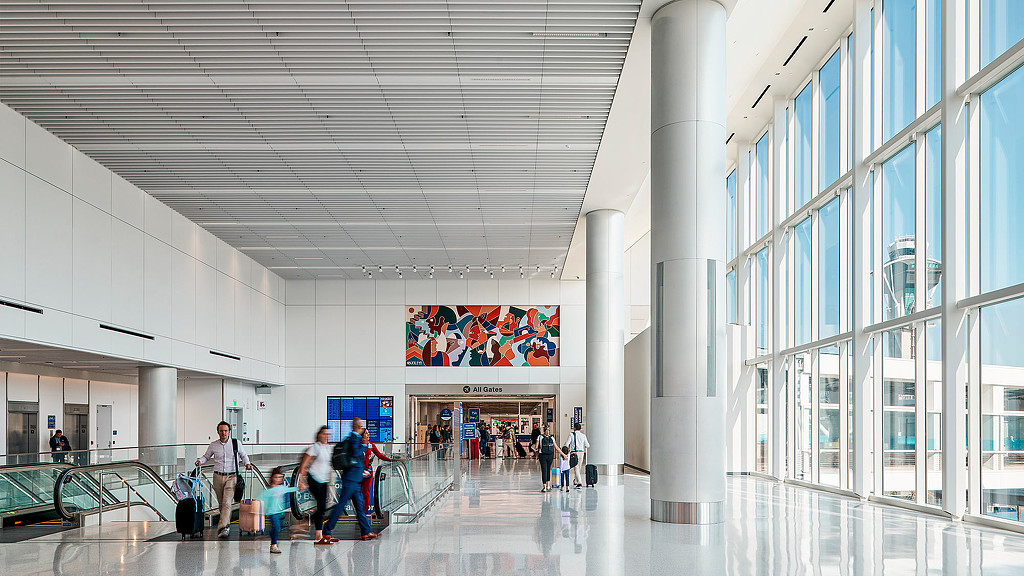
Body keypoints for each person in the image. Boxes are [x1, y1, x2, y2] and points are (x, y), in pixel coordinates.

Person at [322, 418, 378, 542]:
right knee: (341, 506)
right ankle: (326, 530)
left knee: (360, 507)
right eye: (361, 425)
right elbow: (356, 453)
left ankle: (366, 531)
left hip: (354, 480)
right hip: (351, 480)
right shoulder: (355, 438)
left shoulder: (354, 438)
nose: (363, 427)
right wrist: (363, 445)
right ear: (357, 426)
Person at [195, 421, 252, 538]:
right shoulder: (213, 445)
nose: (223, 433)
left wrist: (247, 464)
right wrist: (200, 461)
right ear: (218, 432)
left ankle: (223, 527)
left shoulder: (236, 443)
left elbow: (243, 455)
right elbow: (206, 456)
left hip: (232, 476)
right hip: (217, 476)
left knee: (227, 502)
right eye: (221, 431)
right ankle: (225, 524)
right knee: (221, 504)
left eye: (226, 431)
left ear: (229, 432)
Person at [297, 425, 334, 544]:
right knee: (322, 507)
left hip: (323, 481)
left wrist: (330, 481)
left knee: (322, 507)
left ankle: (309, 528)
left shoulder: (328, 448)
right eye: (324, 434)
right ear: (319, 435)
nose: (327, 436)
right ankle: (317, 535)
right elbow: (304, 464)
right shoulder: (315, 448)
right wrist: (301, 480)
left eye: (328, 434)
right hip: (314, 479)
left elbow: (328, 465)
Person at [260, 467, 297, 554]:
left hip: (280, 512)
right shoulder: (269, 491)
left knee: (279, 528)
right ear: (272, 477)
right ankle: (273, 545)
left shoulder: (282, 488)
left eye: (280, 477)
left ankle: (268, 536)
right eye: (276, 477)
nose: (278, 479)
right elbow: (261, 499)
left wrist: (298, 488)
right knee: (276, 528)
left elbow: (290, 490)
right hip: (273, 513)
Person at [360, 428, 393, 515]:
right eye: (366, 433)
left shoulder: (371, 445)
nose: (368, 434)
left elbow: (379, 455)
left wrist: (390, 460)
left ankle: (365, 512)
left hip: (367, 471)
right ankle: (359, 511)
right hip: (357, 471)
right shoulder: (357, 445)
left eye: (368, 433)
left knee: (366, 492)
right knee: (357, 492)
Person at [563, 422, 590, 489]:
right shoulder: (583, 436)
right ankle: (575, 480)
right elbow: (587, 445)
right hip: (581, 453)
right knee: (578, 467)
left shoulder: (571, 435)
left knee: (576, 468)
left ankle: (579, 483)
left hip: (574, 453)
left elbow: (567, 444)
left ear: (574, 428)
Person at [535, 425, 556, 492]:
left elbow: (536, 447)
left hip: (542, 455)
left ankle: (544, 487)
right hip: (550, 455)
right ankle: (548, 485)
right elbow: (555, 447)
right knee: (548, 469)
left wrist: (536, 449)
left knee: (544, 470)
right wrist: (563, 454)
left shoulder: (540, 437)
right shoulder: (552, 438)